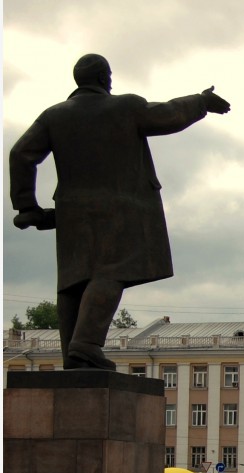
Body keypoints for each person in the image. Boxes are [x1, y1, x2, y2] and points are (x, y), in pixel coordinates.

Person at [8, 54, 230, 370]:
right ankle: (85, 345)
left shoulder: (53, 116)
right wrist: (201, 101)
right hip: (121, 208)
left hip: (71, 212)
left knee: (73, 282)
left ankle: (72, 355)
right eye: (108, 75)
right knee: (111, 271)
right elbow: (166, 115)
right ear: (103, 78)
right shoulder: (124, 107)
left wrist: (26, 205)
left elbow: (20, 154)